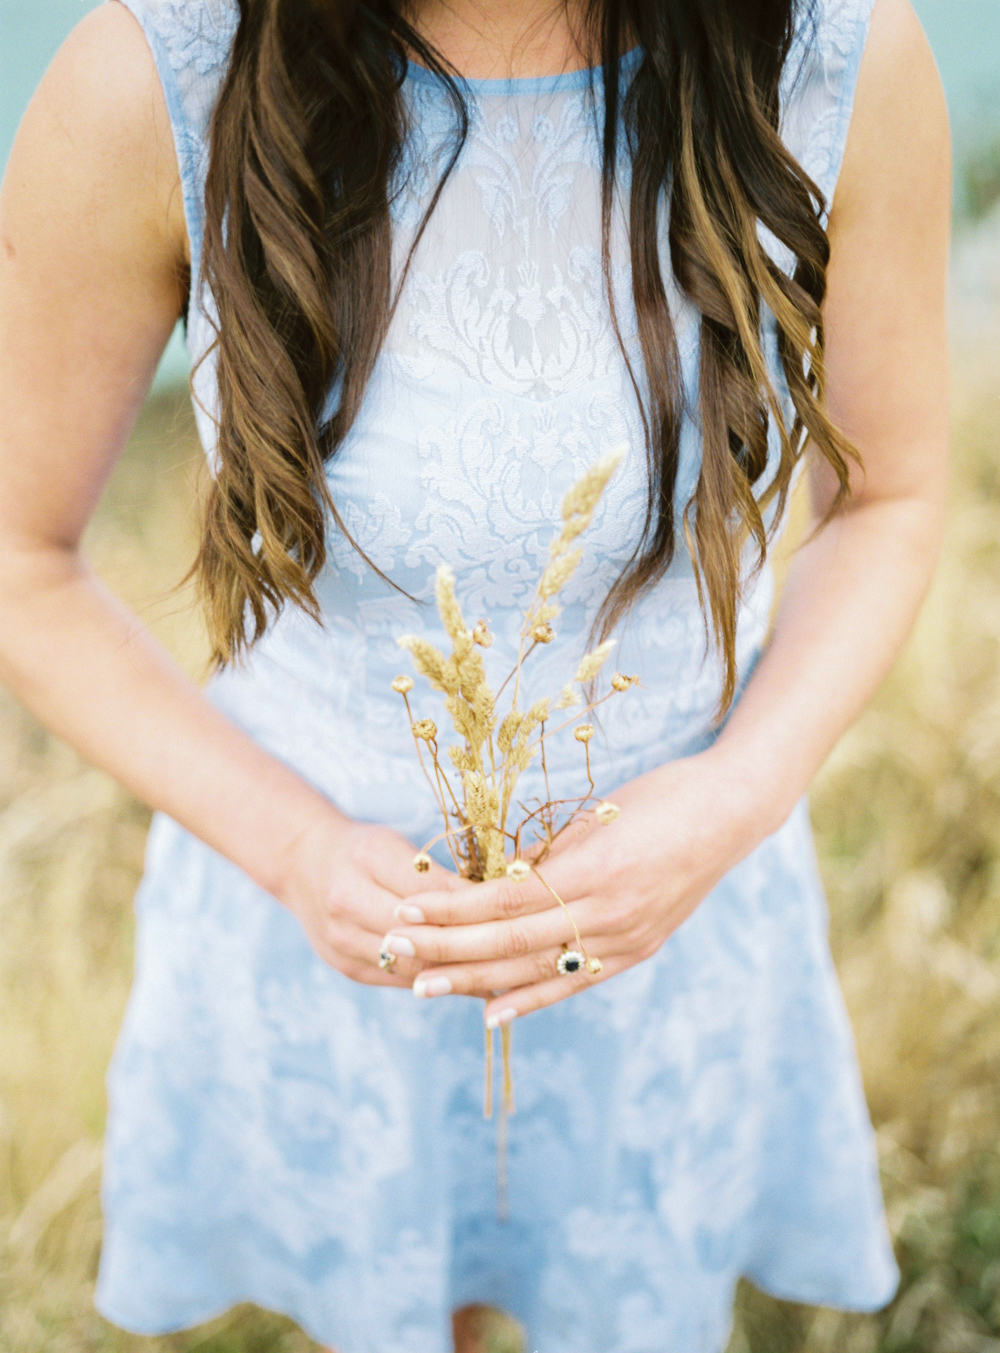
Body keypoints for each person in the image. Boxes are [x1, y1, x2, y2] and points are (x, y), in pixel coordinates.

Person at [0, 0, 950, 1348]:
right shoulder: (155, 79)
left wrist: (735, 798)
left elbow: (894, 493)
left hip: (675, 914)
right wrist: (295, 849)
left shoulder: (831, 49)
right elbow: (19, 557)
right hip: (317, 912)